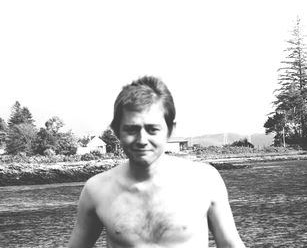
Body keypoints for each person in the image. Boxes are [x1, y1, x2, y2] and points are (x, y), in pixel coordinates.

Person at [68, 76, 246, 248]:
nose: (142, 140)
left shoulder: (204, 181)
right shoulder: (97, 190)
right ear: (117, 131)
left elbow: (230, 244)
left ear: (170, 130)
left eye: (152, 129)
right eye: (131, 129)